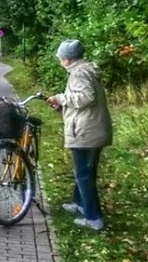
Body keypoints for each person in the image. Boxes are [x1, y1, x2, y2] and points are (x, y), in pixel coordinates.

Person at [46, 39, 113, 231]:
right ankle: (80, 203)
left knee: (83, 174)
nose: (59, 61)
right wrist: (63, 105)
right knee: (85, 172)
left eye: (60, 57)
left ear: (67, 59)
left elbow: (86, 97)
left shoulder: (79, 73)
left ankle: (94, 218)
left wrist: (61, 98)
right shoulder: (86, 70)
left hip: (86, 132)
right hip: (93, 128)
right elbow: (84, 100)